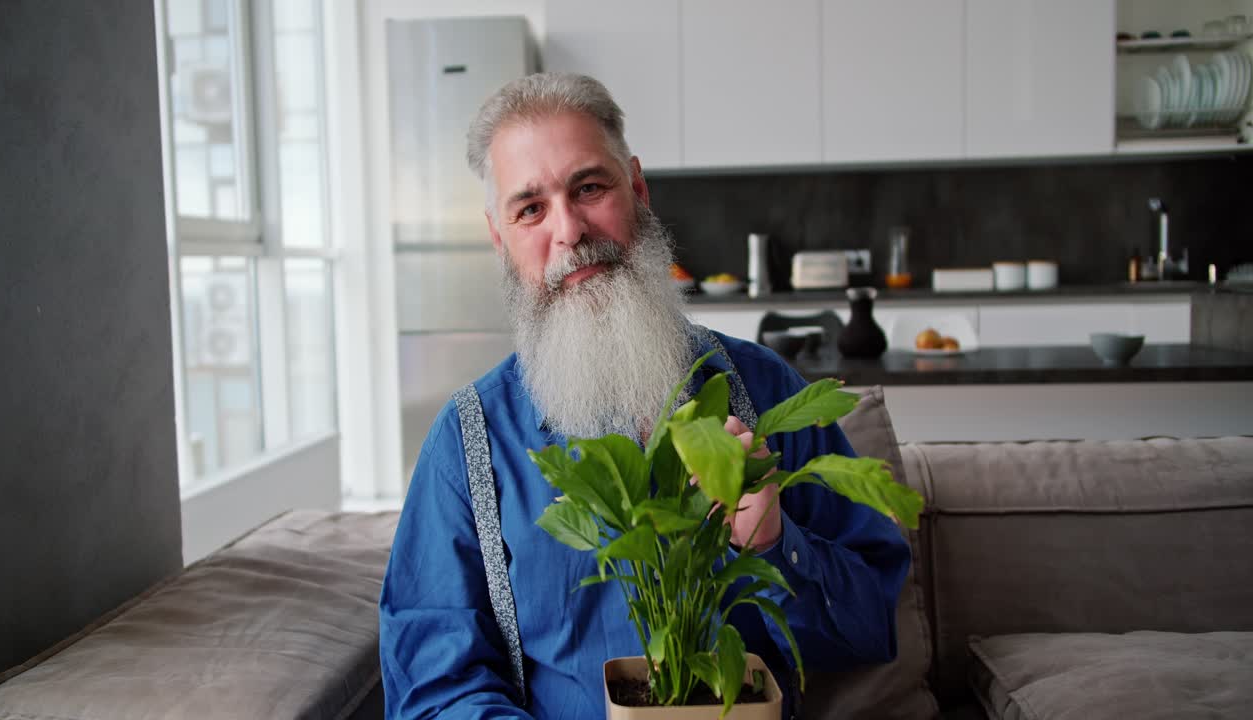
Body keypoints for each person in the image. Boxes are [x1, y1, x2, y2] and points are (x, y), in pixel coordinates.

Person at [378, 73, 910, 719]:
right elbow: (435, 687)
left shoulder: (764, 390)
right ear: (501, 236)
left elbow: (869, 629)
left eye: (590, 188)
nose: (569, 231)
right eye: (531, 209)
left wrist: (776, 544)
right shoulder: (469, 441)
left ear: (636, 188)